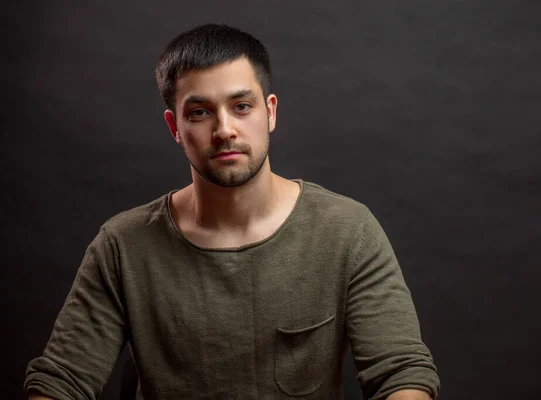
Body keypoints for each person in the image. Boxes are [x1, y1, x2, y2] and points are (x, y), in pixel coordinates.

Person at [24, 24, 440, 400]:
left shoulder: (348, 231)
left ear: (270, 111)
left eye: (241, 106)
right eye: (200, 112)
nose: (224, 129)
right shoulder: (122, 246)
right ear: (174, 128)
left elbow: (401, 374)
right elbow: (61, 380)